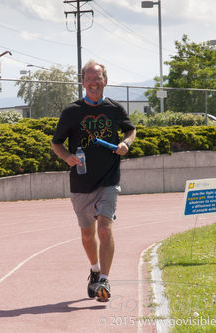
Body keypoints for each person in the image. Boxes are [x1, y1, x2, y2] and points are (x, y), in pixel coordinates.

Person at [51, 60, 136, 302]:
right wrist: (67, 157)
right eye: (88, 79)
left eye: (97, 78)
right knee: (88, 235)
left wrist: (125, 144)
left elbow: (131, 130)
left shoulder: (114, 108)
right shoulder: (72, 112)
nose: (93, 83)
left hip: (109, 178)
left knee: (104, 228)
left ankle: (105, 279)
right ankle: (95, 269)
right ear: (82, 82)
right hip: (81, 182)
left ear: (105, 81)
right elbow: (56, 143)